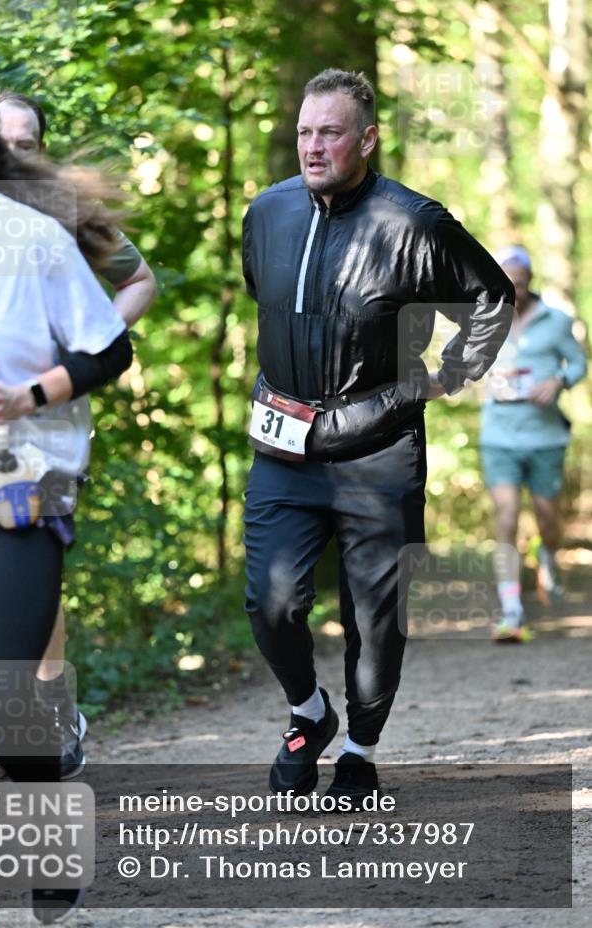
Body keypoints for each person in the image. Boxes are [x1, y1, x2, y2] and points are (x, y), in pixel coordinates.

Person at [242, 68, 514, 803]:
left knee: (377, 615)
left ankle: (359, 750)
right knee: (270, 604)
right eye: (304, 131)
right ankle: (308, 713)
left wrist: (443, 375)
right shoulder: (265, 214)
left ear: (366, 139)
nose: (312, 145)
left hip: (379, 446)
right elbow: (266, 301)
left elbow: (489, 298)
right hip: (285, 439)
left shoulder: (413, 222)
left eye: (329, 132)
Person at [0, 75, 133, 926]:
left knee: (2, 693)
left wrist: (28, 396)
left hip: (19, 492)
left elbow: (107, 351)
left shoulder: (35, 240)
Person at [0, 91, 157, 777]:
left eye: (24, 142)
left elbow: (138, 279)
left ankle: (48, 699)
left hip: (47, 424)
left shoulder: (56, 211)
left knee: (25, 554)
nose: (8, 152)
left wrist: (83, 352)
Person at [480, 245, 587, 642]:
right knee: (506, 516)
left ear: (530, 281)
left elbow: (578, 363)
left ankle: (548, 554)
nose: (516, 290)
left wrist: (557, 381)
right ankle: (511, 611)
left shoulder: (556, 321)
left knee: (547, 519)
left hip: (545, 436)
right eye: (508, 283)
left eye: (521, 283)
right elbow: (461, 361)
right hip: (499, 436)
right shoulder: (484, 319)